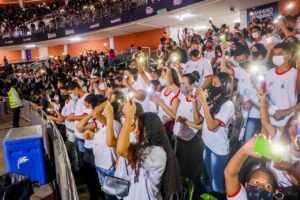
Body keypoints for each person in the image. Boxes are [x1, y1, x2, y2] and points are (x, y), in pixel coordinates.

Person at [116, 101, 181, 200]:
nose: (136, 132)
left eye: (140, 128)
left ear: (150, 130)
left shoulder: (158, 153)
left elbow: (121, 150)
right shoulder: (142, 146)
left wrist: (129, 117)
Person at [195, 72, 234, 199]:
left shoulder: (228, 105)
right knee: (206, 178)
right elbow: (197, 120)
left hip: (218, 149)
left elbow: (212, 126)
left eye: (216, 84)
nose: (212, 86)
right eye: (212, 83)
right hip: (207, 144)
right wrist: (194, 101)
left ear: (224, 87)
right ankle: (208, 196)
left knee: (217, 183)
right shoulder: (212, 100)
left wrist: (204, 103)